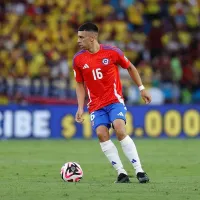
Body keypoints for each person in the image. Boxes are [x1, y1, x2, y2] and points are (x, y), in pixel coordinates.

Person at [73, 22, 152, 183]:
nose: (78, 41)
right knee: (101, 134)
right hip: (96, 106)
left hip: (114, 100)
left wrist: (142, 88)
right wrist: (80, 107)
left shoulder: (112, 52)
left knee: (119, 128)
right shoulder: (78, 59)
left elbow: (130, 67)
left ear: (92, 38)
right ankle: (121, 173)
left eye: (81, 37)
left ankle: (139, 171)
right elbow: (80, 84)